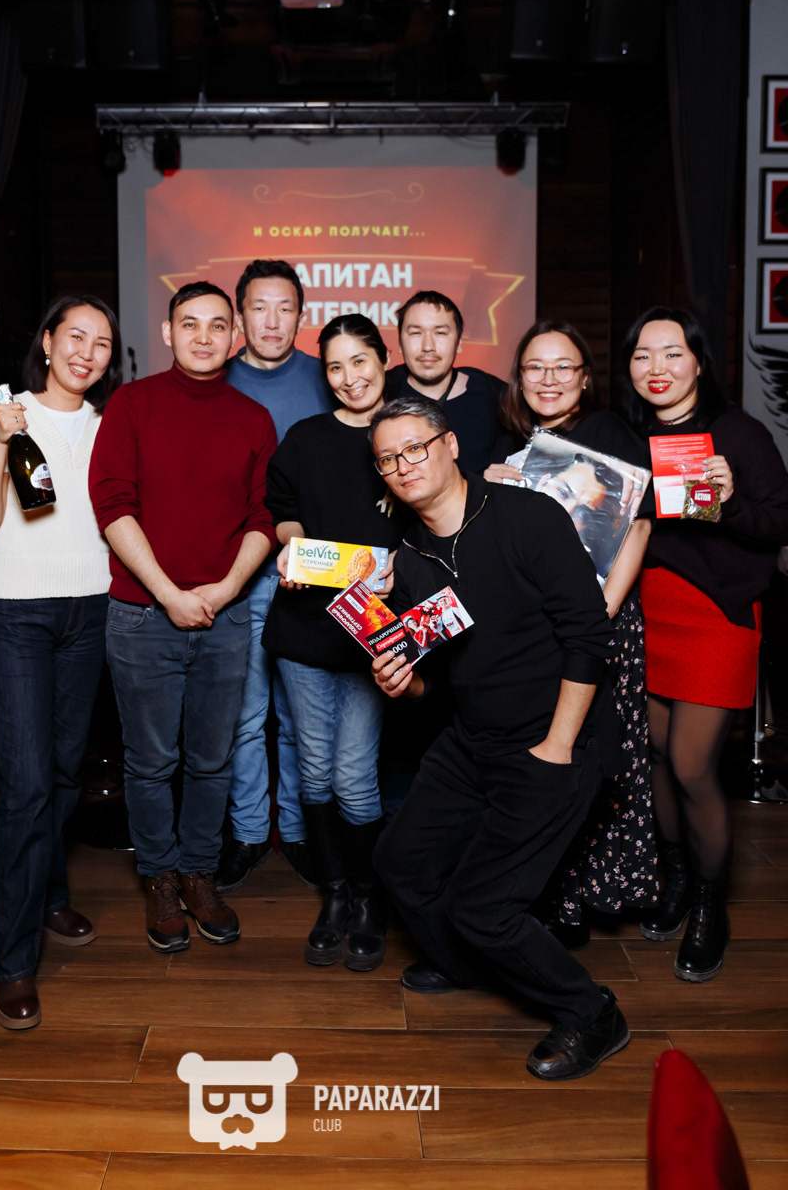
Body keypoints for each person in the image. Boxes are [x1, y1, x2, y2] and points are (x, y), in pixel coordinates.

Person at [370, 397, 629, 1082]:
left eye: (415, 447)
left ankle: (591, 1012)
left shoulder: (526, 516)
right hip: (472, 738)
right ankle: (469, 964)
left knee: (482, 906)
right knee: (400, 860)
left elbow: (589, 637)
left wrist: (557, 749)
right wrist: (404, 683)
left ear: (450, 445)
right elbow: (438, 681)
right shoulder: (409, 558)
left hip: (553, 738)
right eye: (389, 459)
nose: (404, 465)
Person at [89, 281, 276, 955]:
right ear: (168, 333)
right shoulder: (131, 405)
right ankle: (160, 878)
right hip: (143, 615)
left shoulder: (254, 418)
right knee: (150, 761)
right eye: (189, 323)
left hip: (225, 614)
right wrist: (169, 592)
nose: (203, 336)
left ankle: (199, 873)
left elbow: (263, 516)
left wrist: (224, 590)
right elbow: (112, 505)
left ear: (235, 337)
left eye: (217, 324)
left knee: (212, 758)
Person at [0, 295, 122, 1030]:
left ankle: (50, 894)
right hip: (20, 615)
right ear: (49, 342)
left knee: (63, 771)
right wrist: (0, 441)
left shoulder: (110, 425)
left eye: (102, 343)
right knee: (27, 786)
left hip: (91, 610)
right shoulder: (5, 415)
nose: (87, 353)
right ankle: (13, 959)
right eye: (75, 337)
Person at [623, 306, 788, 981]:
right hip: (650, 611)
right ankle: (677, 881)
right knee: (659, 756)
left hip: (717, 613)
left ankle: (710, 908)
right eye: (642, 356)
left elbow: (779, 521)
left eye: (672, 353)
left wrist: (730, 501)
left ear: (698, 361)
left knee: (693, 765)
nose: (656, 368)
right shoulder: (629, 438)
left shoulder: (737, 433)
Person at [485, 320, 657, 947]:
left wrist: (600, 612)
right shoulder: (513, 443)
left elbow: (640, 526)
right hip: (540, 626)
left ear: (585, 378)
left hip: (598, 621)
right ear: (519, 378)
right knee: (546, 754)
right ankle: (545, 894)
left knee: (599, 756)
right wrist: (492, 491)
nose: (549, 379)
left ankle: (586, 897)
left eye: (564, 367)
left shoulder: (608, 432)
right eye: (536, 367)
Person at [262, 314, 409, 972]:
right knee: (315, 770)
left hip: (375, 634)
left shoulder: (407, 438)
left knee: (354, 775)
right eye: (335, 367)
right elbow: (284, 509)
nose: (350, 377)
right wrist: (292, 547)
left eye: (360, 361)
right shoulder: (307, 437)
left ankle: (370, 898)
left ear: (383, 359)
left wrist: (402, 567)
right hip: (306, 628)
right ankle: (336, 894)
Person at [218, 259, 332, 891]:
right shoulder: (215, 377)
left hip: (308, 575)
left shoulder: (327, 378)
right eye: (258, 307)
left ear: (301, 315)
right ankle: (246, 832)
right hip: (236, 575)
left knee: (298, 718)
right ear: (240, 315)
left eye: (284, 308)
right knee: (243, 717)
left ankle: (296, 831)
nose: (271, 320)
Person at [384, 290, 505, 475]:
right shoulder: (383, 393)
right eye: (415, 333)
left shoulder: (492, 393)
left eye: (440, 333)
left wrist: (489, 486)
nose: (428, 346)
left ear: (459, 342)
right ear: (400, 342)